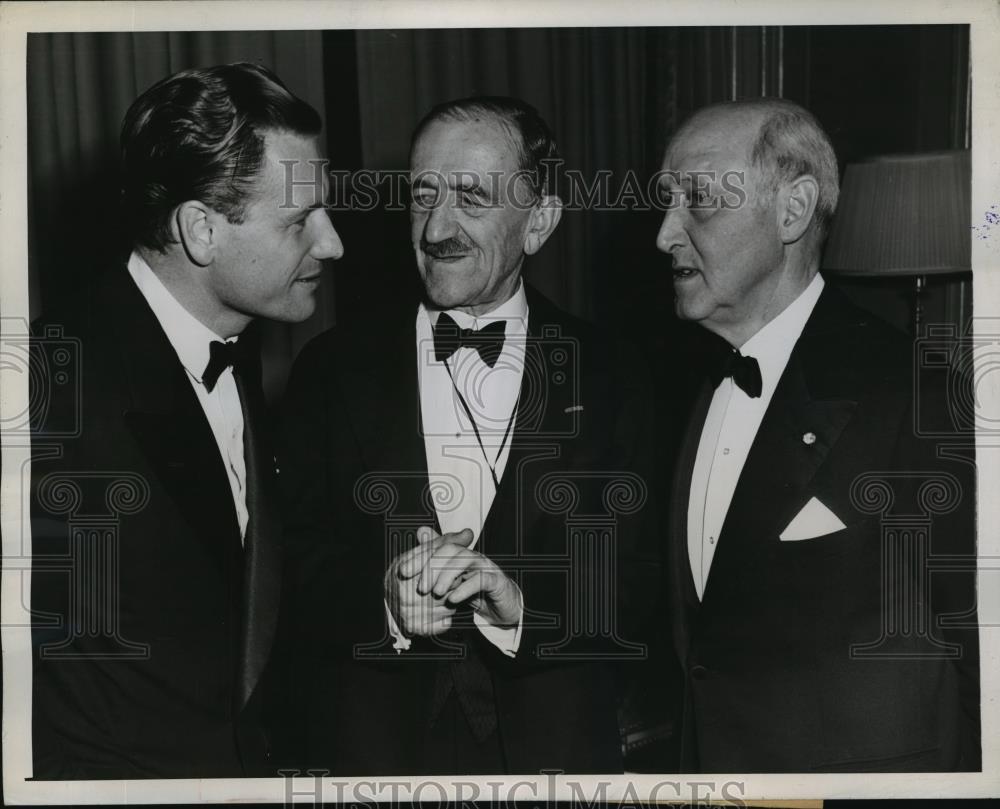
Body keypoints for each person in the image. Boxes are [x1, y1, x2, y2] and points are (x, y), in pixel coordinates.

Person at [277, 95, 658, 775]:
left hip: (558, 753)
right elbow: (289, 564)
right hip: (370, 751)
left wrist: (525, 607)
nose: (437, 228)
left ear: (538, 221)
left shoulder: (615, 374)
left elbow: (642, 580)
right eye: (424, 194)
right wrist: (384, 602)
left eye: (472, 198)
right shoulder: (330, 368)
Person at [29, 62, 343, 779]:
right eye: (300, 220)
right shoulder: (45, 388)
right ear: (201, 230)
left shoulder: (239, 349)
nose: (332, 244)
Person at [656, 97, 980, 772]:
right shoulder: (688, 390)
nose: (664, 233)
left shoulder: (917, 393)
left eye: (699, 199)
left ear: (793, 210)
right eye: (665, 201)